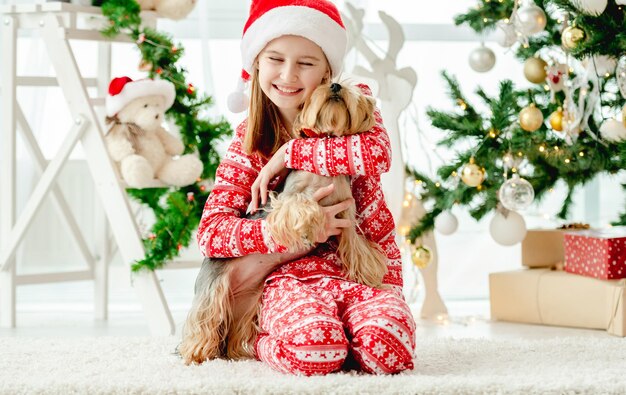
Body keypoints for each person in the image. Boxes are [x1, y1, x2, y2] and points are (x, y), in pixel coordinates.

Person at [195, 0, 416, 376]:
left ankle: (351, 334)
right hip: (285, 280)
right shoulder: (247, 144)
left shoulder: (354, 104)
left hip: (355, 275)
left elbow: (377, 154)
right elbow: (211, 235)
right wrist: (286, 234)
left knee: (388, 348)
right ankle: (254, 340)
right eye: (276, 59)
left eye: (306, 63)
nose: (288, 75)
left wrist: (291, 152)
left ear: (328, 71)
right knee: (316, 348)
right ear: (256, 65)